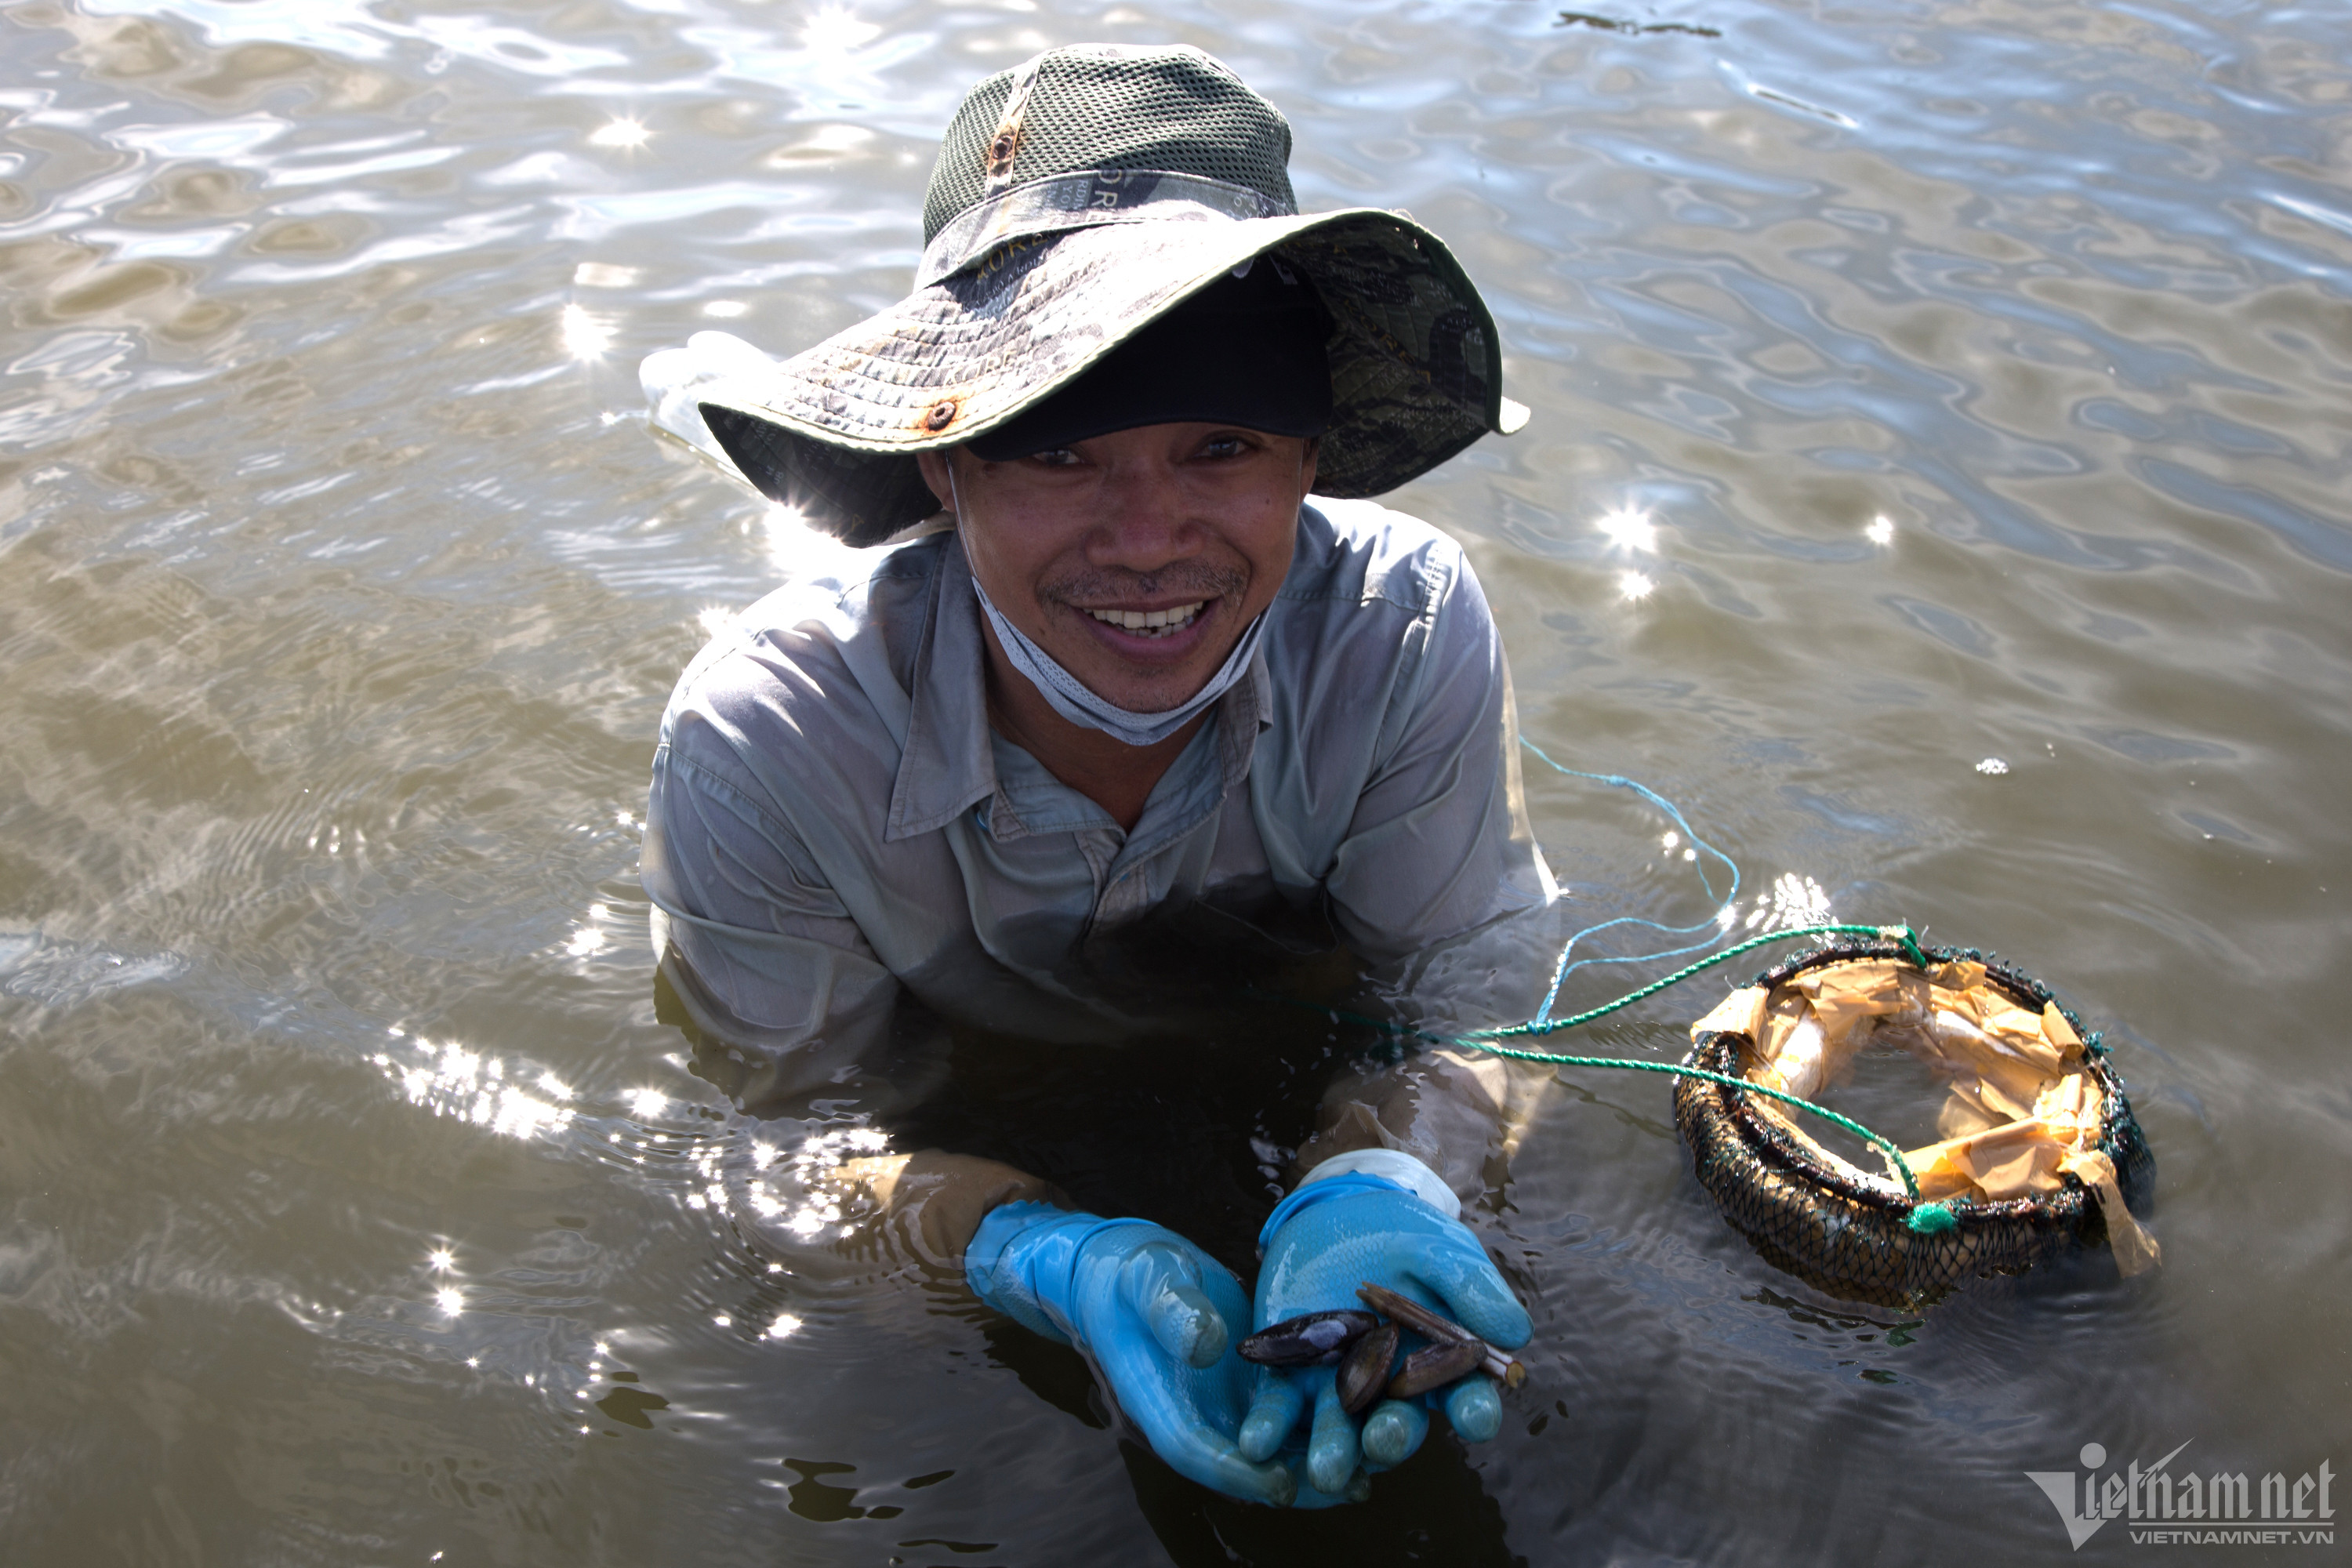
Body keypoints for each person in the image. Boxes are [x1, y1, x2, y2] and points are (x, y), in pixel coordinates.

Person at [639, 42, 1559, 1509]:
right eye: (1061, 454)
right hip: (969, 1099)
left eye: (1222, 447)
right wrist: (1027, 1257)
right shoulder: (767, 738)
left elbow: (1474, 972)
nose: (1147, 539)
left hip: (1304, 1033)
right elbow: (788, 1146)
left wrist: (1395, 1169)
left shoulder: (1409, 625)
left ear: (1308, 459)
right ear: (946, 472)